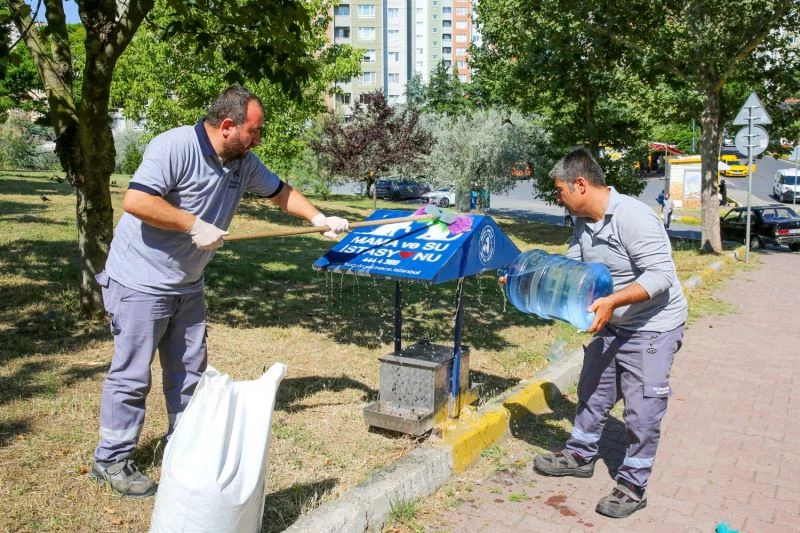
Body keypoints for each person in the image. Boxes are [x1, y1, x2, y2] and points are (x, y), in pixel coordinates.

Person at [89, 86, 349, 498]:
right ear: (228, 126)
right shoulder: (174, 146)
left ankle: (183, 444)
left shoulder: (242, 162)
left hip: (187, 283)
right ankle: (111, 459)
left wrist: (319, 218)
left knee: (190, 372)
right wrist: (192, 224)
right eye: (254, 131)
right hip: (140, 282)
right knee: (132, 375)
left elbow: (281, 192)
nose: (258, 139)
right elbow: (136, 200)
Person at [532, 148, 687, 519]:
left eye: (560, 190)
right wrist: (531, 280)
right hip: (612, 321)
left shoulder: (633, 217)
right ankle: (580, 455)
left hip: (652, 326)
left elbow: (661, 276)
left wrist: (613, 301)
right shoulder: (583, 221)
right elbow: (573, 267)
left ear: (580, 185)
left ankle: (633, 484)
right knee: (593, 390)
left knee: (643, 411)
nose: (558, 198)